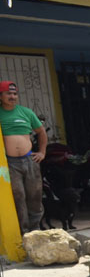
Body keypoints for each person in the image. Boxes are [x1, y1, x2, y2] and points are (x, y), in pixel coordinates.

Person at [0, 80, 48, 234]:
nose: (12, 97)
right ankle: (23, 232)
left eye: (15, 94)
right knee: (18, 197)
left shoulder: (26, 112)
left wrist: (42, 152)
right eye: (8, 93)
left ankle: (36, 230)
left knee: (35, 195)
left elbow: (41, 132)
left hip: (30, 160)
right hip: (10, 163)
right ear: (1, 96)